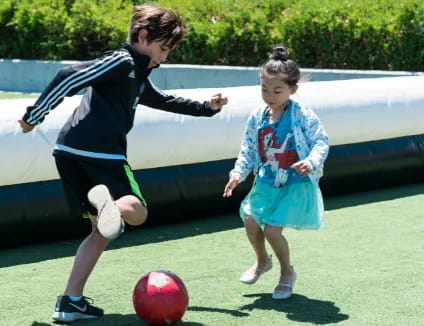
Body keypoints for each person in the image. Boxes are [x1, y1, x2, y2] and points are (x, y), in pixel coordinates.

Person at [18, 4, 228, 322]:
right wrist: (35, 115)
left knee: (101, 232)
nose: (164, 57)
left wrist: (206, 108)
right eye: (163, 49)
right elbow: (68, 76)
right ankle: (111, 210)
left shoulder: (138, 76)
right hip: (101, 155)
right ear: (142, 36)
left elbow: (164, 100)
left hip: (69, 153)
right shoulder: (121, 61)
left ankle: (69, 302)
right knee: (139, 213)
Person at [223, 45, 328, 300]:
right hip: (267, 180)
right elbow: (248, 148)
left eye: (277, 90)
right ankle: (262, 261)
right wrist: (237, 174)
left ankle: (286, 273)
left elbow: (321, 140)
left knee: (271, 230)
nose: (269, 95)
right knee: (249, 220)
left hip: (294, 183)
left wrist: (311, 162)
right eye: (264, 89)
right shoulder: (258, 116)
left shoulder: (301, 114)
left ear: (292, 89)